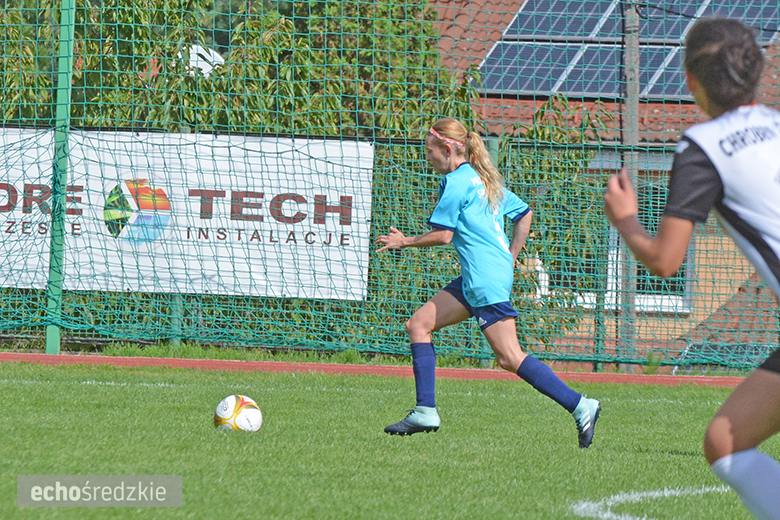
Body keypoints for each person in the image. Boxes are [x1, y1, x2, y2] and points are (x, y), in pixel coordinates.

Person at [603, 17, 780, 519]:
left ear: (690, 81)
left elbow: (666, 261)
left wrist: (626, 220)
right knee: (725, 439)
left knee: (727, 443)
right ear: (758, 70)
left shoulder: (702, 148)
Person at [375, 117, 602, 448]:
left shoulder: (455, 182)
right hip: (481, 275)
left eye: (429, 150)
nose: (427, 157)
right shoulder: (481, 178)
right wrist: (510, 257)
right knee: (418, 325)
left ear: (447, 149)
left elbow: (444, 235)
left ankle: (581, 405)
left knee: (509, 356)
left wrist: (404, 241)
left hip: (483, 279)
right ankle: (425, 411)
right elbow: (524, 213)